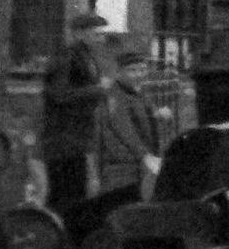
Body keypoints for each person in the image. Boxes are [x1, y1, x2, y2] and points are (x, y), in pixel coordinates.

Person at [41, 13, 112, 213]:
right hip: (63, 136)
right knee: (65, 192)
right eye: (96, 34)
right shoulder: (66, 57)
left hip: (78, 136)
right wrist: (98, 89)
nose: (101, 39)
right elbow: (59, 94)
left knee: (77, 190)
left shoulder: (86, 56)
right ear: (80, 33)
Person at [98, 52, 168, 202]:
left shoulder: (138, 91)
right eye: (132, 70)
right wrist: (145, 155)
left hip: (141, 166)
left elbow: (144, 115)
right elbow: (123, 128)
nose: (139, 74)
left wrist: (156, 114)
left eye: (142, 69)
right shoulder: (115, 96)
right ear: (119, 72)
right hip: (122, 169)